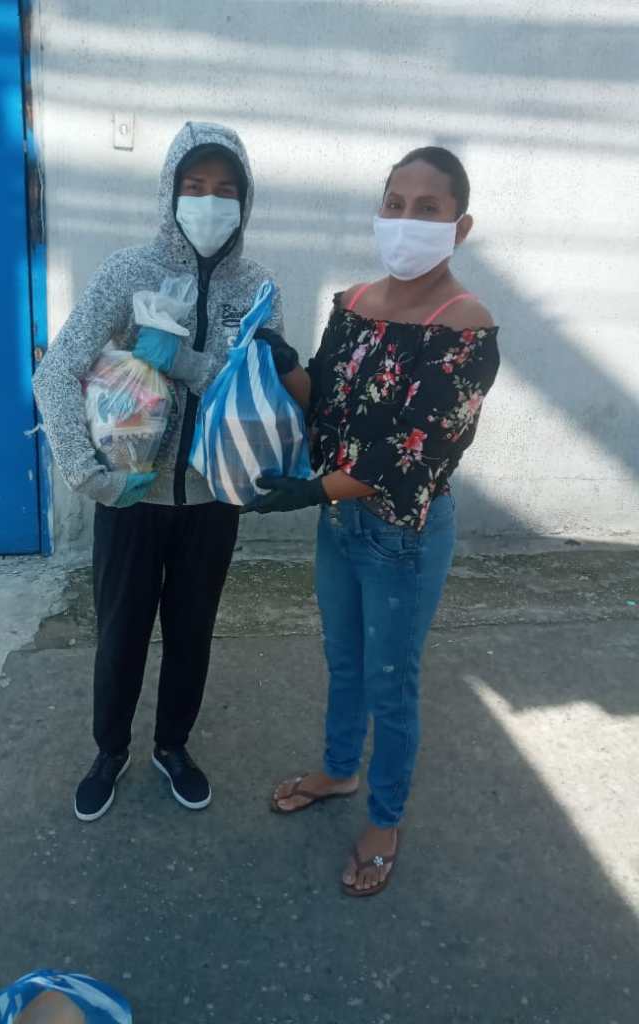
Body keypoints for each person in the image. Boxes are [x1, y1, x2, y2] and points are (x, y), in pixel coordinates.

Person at [244, 147, 500, 896]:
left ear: (460, 226)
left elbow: (414, 453)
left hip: (403, 537)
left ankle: (385, 819)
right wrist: (284, 365)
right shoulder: (353, 302)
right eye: (395, 203)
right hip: (340, 522)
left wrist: (308, 492)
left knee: (392, 683)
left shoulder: (466, 326)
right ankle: (337, 770)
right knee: (345, 662)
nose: (406, 220)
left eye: (428, 208)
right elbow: (323, 403)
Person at [33, 122, 298, 821]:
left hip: (213, 500)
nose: (210, 202)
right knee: (120, 635)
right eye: (195, 186)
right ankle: (109, 751)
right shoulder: (128, 272)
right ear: (169, 192)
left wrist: (185, 362)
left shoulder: (258, 288)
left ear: (245, 200)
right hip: (130, 498)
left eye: (226, 190)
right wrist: (86, 473)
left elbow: (261, 391)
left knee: (191, 634)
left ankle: (172, 747)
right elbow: (56, 372)